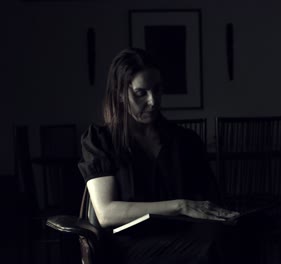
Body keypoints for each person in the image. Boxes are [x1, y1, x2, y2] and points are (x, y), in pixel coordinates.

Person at [77, 48, 241, 264]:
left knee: (238, 236)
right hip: (130, 246)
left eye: (158, 90)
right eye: (140, 93)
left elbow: (207, 200)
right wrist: (180, 205)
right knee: (210, 249)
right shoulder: (100, 140)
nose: (153, 101)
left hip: (186, 235)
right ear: (120, 94)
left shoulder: (185, 140)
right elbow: (106, 213)